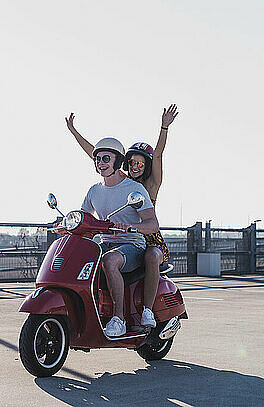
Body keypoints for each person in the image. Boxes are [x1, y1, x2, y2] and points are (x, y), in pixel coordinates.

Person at [66, 105, 178, 328]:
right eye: (131, 162)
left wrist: (164, 127)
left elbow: (157, 155)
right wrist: (73, 131)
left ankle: (145, 311)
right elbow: (97, 154)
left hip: (146, 237)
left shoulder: (148, 186)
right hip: (116, 236)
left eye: (140, 163)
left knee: (152, 257)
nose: (135, 167)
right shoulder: (112, 181)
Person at [81, 137, 160, 337]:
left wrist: (132, 227)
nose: (101, 163)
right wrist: (65, 224)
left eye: (106, 158)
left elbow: (152, 224)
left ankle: (119, 320)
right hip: (105, 243)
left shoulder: (134, 189)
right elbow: (84, 217)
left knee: (110, 260)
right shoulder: (94, 190)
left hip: (132, 245)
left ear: (117, 161)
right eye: (97, 159)